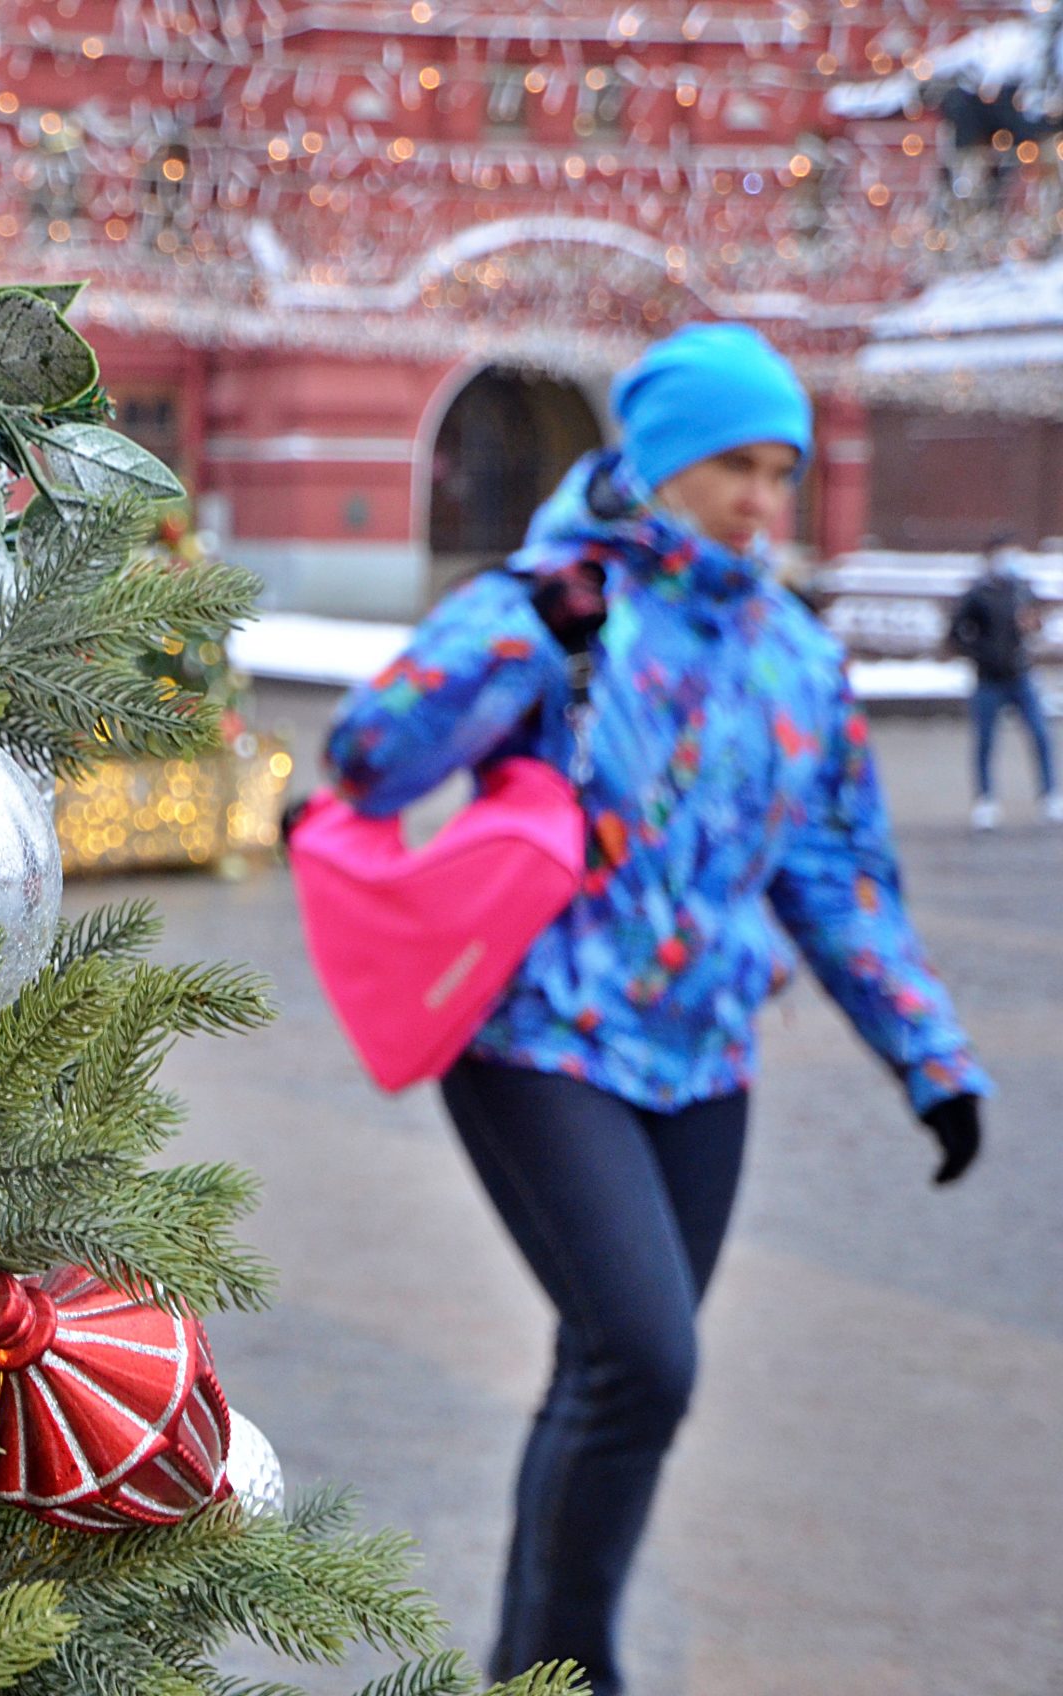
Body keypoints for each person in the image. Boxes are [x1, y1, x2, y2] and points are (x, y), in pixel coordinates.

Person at [324, 324, 989, 1695]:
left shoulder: (797, 659)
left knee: (613, 1374)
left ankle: (532, 1670)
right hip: (535, 1041)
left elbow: (837, 875)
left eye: (779, 471)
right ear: (661, 462)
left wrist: (931, 1055)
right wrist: (517, 627)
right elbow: (369, 758)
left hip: (702, 1062)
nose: (761, 500)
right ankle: (576, 1671)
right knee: (646, 1355)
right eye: (734, 467)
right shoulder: (560, 600)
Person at [944, 538, 1057, 830]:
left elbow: (1036, 621)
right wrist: (979, 654)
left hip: (1020, 675)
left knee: (1040, 735)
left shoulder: (1021, 589)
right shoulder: (978, 594)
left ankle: (1049, 795)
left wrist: (1033, 624)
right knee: (985, 740)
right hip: (988, 680)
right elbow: (956, 633)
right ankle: (985, 800)